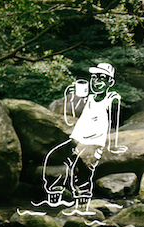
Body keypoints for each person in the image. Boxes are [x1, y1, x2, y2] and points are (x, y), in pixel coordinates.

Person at [40, 62, 126, 215]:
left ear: (110, 83)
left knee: (83, 165)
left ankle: (84, 198)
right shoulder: (88, 97)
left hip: (94, 141)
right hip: (76, 138)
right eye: (94, 77)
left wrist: (113, 144)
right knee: (53, 156)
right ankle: (57, 193)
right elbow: (70, 118)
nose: (97, 81)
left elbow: (115, 121)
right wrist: (70, 94)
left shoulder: (112, 98)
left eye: (102, 78)